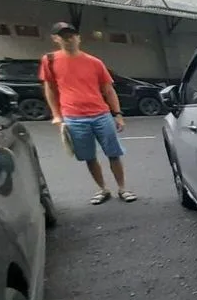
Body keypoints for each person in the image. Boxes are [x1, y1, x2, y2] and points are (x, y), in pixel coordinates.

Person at [40, 22, 137, 204]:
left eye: (72, 35)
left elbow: (109, 90)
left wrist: (117, 114)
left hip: (101, 114)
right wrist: (56, 116)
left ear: (78, 37)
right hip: (74, 117)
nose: (69, 39)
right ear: (56, 39)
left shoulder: (94, 62)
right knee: (89, 157)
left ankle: (123, 189)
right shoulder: (50, 61)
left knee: (113, 153)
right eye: (64, 36)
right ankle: (103, 189)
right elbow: (50, 89)